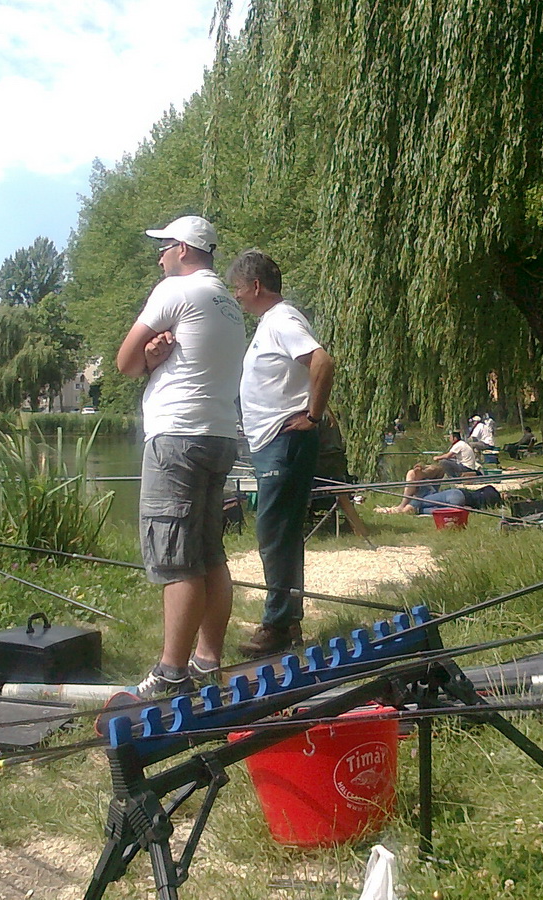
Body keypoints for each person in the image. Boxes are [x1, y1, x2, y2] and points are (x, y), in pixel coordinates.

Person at [116, 215, 246, 698]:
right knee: (210, 554)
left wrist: (147, 359)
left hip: (176, 437)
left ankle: (171, 673)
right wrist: (156, 356)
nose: (160, 256)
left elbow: (124, 363)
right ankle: (207, 661)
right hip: (219, 435)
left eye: (165, 246)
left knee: (176, 559)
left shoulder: (175, 291)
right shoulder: (229, 304)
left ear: (185, 249)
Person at [228, 250, 335, 658]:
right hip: (273, 443)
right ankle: (288, 623)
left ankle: (276, 625)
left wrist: (314, 415)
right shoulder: (271, 323)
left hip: (283, 442)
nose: (236, 295)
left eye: (238, 288)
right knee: (281, 535)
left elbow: (322, 361)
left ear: (256, 286)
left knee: (274, 534)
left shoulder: (283, 320)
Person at [374, 463, 446, 514]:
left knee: (407, 509)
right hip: (422, 493)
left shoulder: (427, 485)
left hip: (426, 493)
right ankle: (400, 507)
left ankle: (399, 507)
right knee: (412, 475)